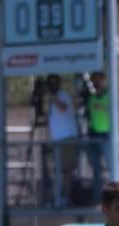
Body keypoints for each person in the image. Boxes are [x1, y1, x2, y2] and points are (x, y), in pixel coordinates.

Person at [45, 74, 80, 207]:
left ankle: (66, 197)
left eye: (54, 83)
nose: (52, 86)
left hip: (67, 137)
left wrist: (51, 95)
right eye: (50, 84)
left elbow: (63, 107)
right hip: (57, 139)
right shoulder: (51, 98)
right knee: (58, 169)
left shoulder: (62, 95)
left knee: (67, 170)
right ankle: (57, 197)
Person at [86, 73, 111, 204]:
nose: (97, 84)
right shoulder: (91, 97)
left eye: (99, 81)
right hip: (94, 135)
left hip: (106, 135)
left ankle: (114, 194)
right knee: (96, 168)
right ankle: (98, 196)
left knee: (110, 165)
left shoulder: (109, 96)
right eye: (94, 81)